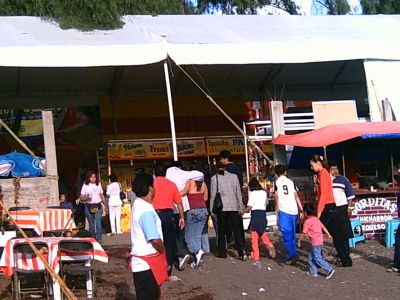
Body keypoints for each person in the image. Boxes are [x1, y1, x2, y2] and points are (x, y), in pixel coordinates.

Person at [310, 155, 352, 267]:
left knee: (318, 231)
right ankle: (345, 259)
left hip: (327, 206)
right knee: (336, 235)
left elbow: (324, 193)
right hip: (330, 206)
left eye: (312, 164)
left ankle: (317, 258)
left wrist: (319, 209)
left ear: (317, 163)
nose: (311, 167)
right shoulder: (322, 174)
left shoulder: (323, 174)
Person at [131, 172, 168, 300]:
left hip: (142, 263)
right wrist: (163, 251)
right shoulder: (145, 209)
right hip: (147, 265)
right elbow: (154, 239)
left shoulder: (137, 204)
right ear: (151, 188)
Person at [166, 161, 203, 270]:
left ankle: (179, 255)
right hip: (184, 207)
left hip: (170, 207)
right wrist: (188, 182)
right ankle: (184, 253)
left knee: (171, 234)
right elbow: (200, 174)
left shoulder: (166, 174)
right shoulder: (183, 174)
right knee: (181, 233)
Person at [152, 162, 185, 279]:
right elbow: (179, 203)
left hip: (154, 214)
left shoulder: (151, 185)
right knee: (169, 242)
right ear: (165, 173)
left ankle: (156, 268)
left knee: (155, 241)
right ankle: (168, 268)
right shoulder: (171, 184)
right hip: (168, 214)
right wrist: (182, 217)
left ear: (154, 172)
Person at [210, 165, 245, 260]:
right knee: (236, 230)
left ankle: (222, 252)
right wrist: (240, 207)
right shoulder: (234, 177)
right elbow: (238, 193)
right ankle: (241, 252)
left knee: (221, 231)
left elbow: (213, 194)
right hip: (233, 206)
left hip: (222, 207)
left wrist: (211, 208)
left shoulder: (214, 178)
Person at [241, 177, 276, 268]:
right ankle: (268, 245)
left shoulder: (252, 194)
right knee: (262, 232)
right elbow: (266, 204)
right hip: (263, 214)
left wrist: (243, 212)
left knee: (254, 237)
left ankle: (256, 256)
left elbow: (250, 206)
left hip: (255, 214)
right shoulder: (264, 193)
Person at [274, 165, 303, 265]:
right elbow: (296, 196)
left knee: (286, 233)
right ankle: (292, 253)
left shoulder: (277, 183)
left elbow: (276, 196)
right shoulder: (291, 182)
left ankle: (292, 254)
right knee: (293, 233)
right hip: (294, 209)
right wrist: (301, 209)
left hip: (284, 209)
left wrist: (276, 208)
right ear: (285, 172)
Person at [298, 203, 335, 279]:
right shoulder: (316, 219)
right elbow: (323, 227)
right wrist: (329, 234)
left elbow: (303, 232)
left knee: (317, 258)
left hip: (315, 242)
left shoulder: (307, 222)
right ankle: (313, 272)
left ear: (305, 212)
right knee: (311, 258)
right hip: (320, 241)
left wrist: (299, 240)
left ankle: (329, 269)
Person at [329, 161, 355, 266]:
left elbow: (350, 195)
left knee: (344, 233)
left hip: (342, 208)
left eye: (336, 168)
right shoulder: (327, 181)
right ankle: (341, 253)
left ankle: (346, 254)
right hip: (331, 208)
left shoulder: (343, 179)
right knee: (336, 233)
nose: (335, 171)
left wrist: (349, 208)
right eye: (332, 169)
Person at [180, 173, 208, 268]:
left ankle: (197, 251)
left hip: (192, 210)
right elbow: (205, 198)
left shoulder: (190, 182)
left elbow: (183, 193)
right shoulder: (204, 184)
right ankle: (197, 259)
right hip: (203, 210)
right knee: (197, 236)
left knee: (188, 237)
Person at [80, 171, 108, 243]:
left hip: (98, 206)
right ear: (88, 178)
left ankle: (99, 239)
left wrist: (106, 205)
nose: (93, 179)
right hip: (88, 206)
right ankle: (93, 239)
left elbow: (101, 195)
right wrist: (85, 198)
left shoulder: (98, 184)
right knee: (91, 225)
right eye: (91, 177)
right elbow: (81, 197)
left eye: (94, 177)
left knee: (98, 223)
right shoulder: (85, 186)